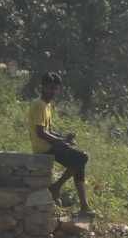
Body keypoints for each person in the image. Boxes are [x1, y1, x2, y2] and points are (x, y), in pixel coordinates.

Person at [27, 72, 91, 217]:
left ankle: (84, 205)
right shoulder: (39, 105)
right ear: (42, 87)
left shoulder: (47, 105)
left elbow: (49, 130)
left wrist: (63, 138)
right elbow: (41, 133)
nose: (53, 91)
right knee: (82, 158)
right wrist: (61, 142)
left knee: (79, 160)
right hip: (44, 148)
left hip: (50, 145)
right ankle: (57, 187)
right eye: (50, 88)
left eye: (55, 89)